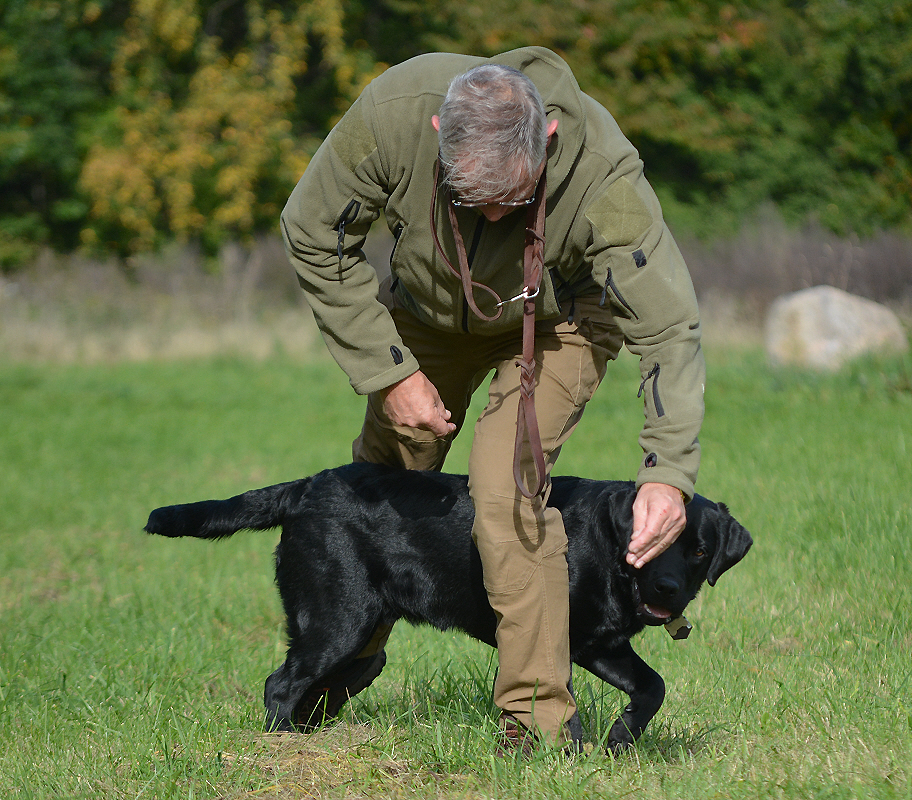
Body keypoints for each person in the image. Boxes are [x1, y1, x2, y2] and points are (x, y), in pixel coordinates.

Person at [280, 46, 705, 752]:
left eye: (511, 198)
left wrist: (667, 472)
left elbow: (667, 325)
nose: (494, 215)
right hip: (430, 313)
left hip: (559, 318)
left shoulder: (602, 175)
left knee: (505, 493)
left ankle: (536, 726)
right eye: (471, 199)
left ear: (546, 141)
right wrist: (388, 372)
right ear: (438, 131)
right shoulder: (389, 115)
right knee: (388, 483)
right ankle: (346, 656)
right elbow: (312, 231)